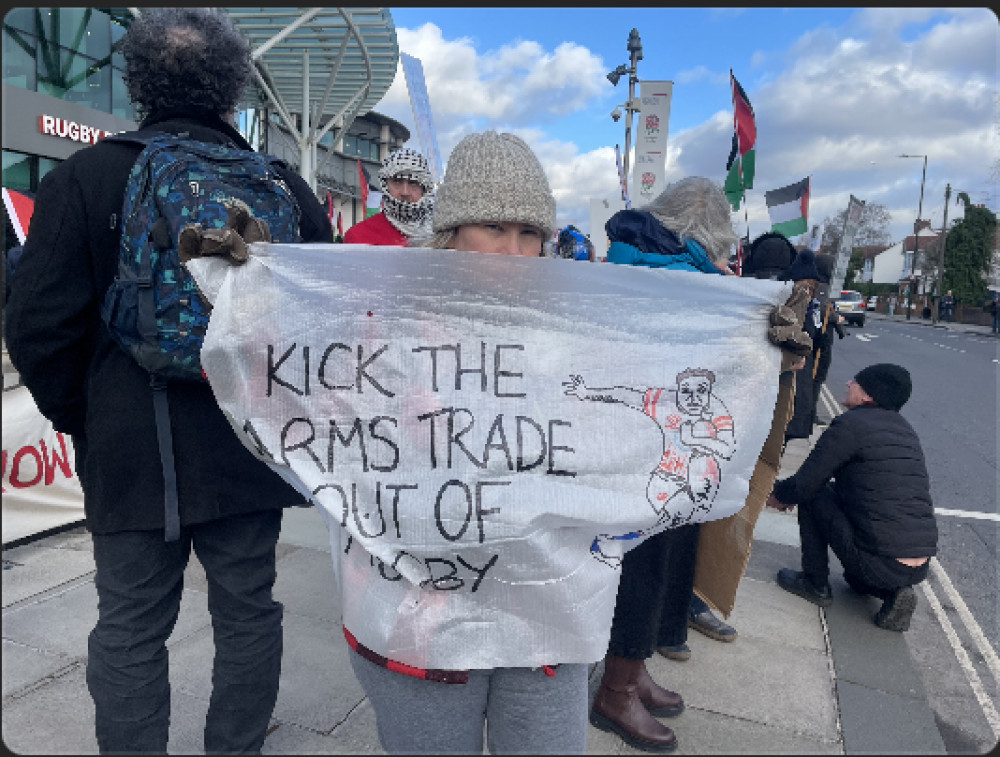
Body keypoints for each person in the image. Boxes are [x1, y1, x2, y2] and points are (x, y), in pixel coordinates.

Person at [4, 9, 332, 754]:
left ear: (139, 82)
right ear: (231, 89)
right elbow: (326, 322)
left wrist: (84, 416)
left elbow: (36, 326)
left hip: (129, 444)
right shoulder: (279, 184)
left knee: (129, 623)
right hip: (248, 438)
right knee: (250, 612)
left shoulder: (84, 176)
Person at [346, 130, 597, 755]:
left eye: (529, 232)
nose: (514, 251)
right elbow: (296, 411)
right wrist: (240, 295)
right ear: (451, 230)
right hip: (422, 609)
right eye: (492, 227)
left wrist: (755, 357)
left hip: (545, 608)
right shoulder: (385, 324)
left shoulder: (580, 329)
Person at [586, 178, 769, 752]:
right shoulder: (699, 284)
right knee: (645, 569)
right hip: (658, 458)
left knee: (648, 568)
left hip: (640, 449)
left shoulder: (623, 262)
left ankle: (630, 669)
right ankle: (616, 689)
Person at [767, 364, 938, 632]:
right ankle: (894, 592)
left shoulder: (851, 425)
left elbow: (806, 483)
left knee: (817, 494)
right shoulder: (905, 430)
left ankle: (815, 583)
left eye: (855, 382)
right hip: (919, 565)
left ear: (868, 395)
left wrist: (777, 495)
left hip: (880, 561)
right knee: (855, 578)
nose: (848, 383)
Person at [344, 147, 435, 246]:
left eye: (413, 183)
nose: (405, 192)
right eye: (397, 182)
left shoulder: (443, 236)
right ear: (385, 186)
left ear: (425, 188)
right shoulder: (358, 236)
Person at [807, 253, 847, 427]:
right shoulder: (822, 286)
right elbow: (822, 309)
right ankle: (809, 414)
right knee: (816, 377)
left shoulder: (818, 284)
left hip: (819, 337)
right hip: (820, 340)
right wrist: (836, 319)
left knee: (815, 377)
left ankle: (809, 412)